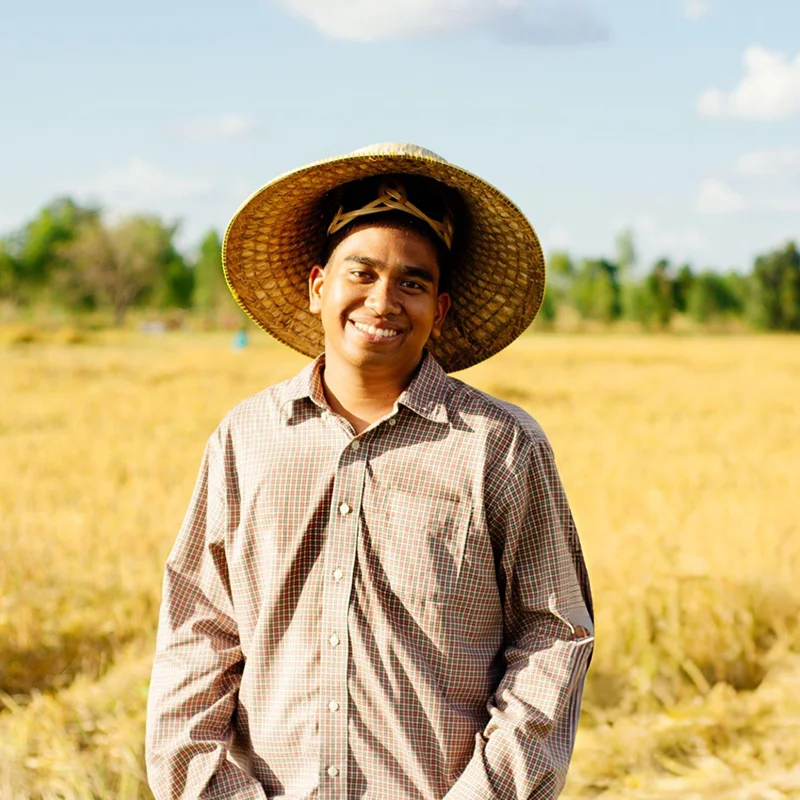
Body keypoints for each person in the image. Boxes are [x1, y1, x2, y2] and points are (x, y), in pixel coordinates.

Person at [145, 142, 594, 800]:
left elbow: (554, 634)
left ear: (437, 309)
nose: (383, 301)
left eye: (412, 282)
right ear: (319, 287)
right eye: (361, 274)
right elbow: (198, 630)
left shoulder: (498, 447)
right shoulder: (248, 439)